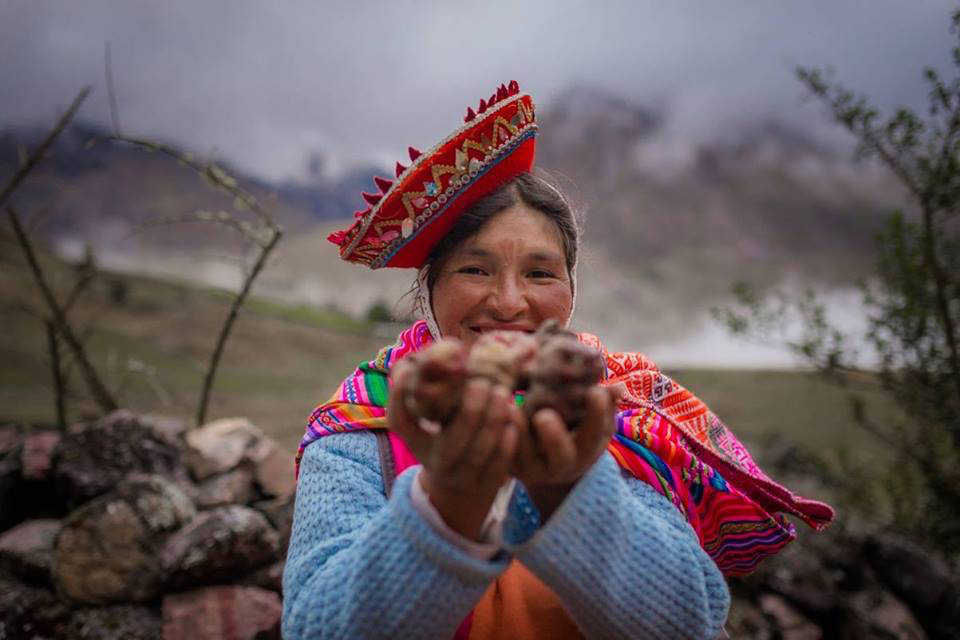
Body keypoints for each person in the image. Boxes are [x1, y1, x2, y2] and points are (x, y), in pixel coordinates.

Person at [282, 82, 834, 640]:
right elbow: (314, 629)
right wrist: (448, 503)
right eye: (475, 270)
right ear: (431, 288)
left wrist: (569, 488)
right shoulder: (359, 429)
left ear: (570, 289)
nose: (509, 302)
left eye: (540, 274)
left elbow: (692, 623)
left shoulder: (614, 416)